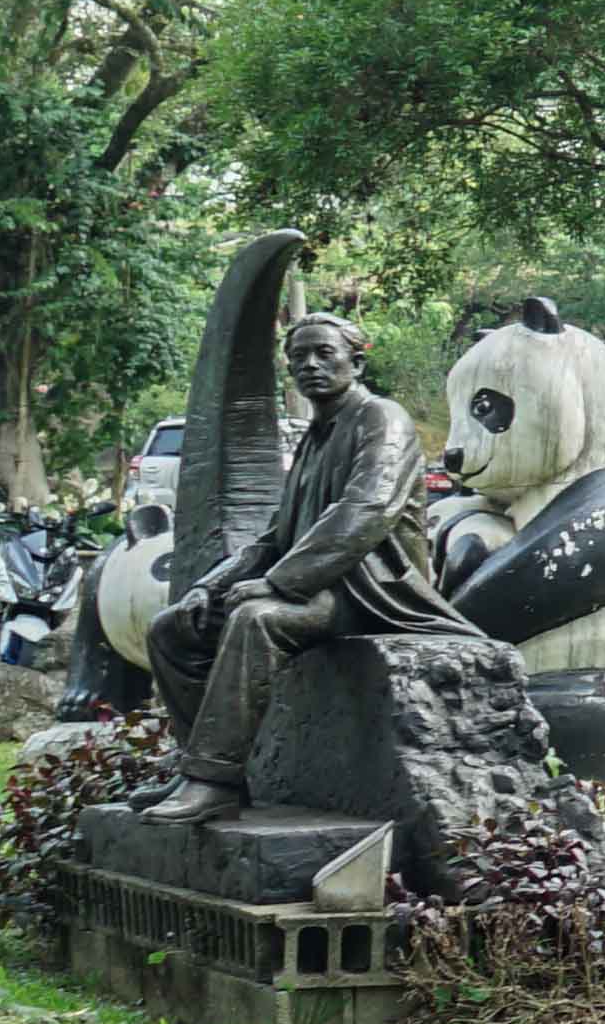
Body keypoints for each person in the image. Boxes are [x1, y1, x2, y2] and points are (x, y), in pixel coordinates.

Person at [138, 313, 470, 818]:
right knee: (173, 629)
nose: (309, 365)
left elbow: (365, 511)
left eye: (324, 353)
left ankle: (212, 781)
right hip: (321, 588)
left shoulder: (382, 419)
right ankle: (201, 769)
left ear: (356, 361)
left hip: (371, 594)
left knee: (258, 619)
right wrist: (211, 585)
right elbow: (274, 536)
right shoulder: (315, 438)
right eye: (298, 358)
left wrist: (276, 585)